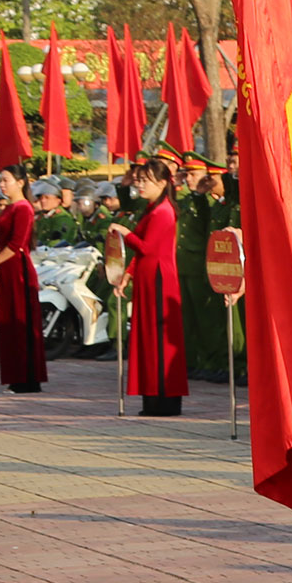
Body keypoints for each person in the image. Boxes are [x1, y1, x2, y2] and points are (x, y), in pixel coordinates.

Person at [114, 159, 189, 415]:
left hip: (159, 280)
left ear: (162, 182)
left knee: (159, 341)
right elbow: (143, 252)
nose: (140, 185)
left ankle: (164, 399)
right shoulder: (151, 209)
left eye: (146, 180)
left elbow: (147, 247)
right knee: (148, 338)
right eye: (139, 180)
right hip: (147, 277)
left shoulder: (163, 212)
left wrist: (124, 233)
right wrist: (128, 274)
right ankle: (151, 397)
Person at [0, 168, 48, 394]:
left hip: (18, 270)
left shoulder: (23, 208)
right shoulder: (9, 207)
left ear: (20, 182)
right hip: (6, 269)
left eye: (6, 180)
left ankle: (26, 379)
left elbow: (17, 244)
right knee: (9, 324)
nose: (2, 185)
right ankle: (15, 376)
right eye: (0, 180)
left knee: (21, 323)